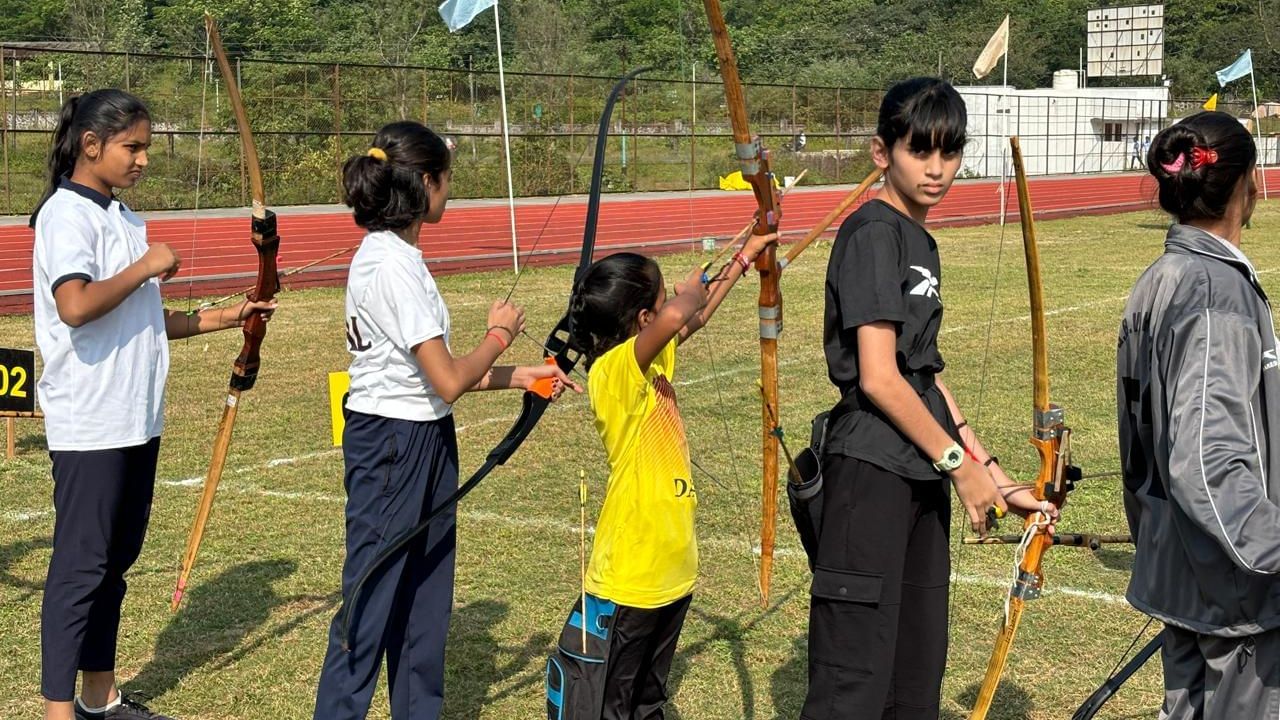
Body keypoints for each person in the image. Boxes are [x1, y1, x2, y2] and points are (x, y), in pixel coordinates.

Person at [801, 77, 1057, 720]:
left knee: (916, 671)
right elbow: (879, 377)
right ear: (881, 152)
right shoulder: (872, 233)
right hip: (869, 474)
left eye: (950, 152)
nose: (937, 169)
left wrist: (992, 473)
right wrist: (957, 465)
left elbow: (926, 376)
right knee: (852, 681)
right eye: (920, 151)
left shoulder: (920, 239)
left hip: (919, 472)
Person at [312, 121, 579, 720]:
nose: (451, 191)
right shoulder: (389, 265)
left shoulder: (402, 257)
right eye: (447, 180)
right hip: (391, 447)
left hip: (424, 437)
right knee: (372, 600)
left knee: (423, 602)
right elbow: (450, 379)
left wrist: (526, 374)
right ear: (425, 183)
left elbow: (441, 374)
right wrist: (499, 332)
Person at [31, 90, 276, 720]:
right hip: (91, 420)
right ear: (91, 146)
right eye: (131, 147)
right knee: (81, 569)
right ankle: (59, 710)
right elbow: (77, 306)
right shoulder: (66, 216)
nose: (142, 159)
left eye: (146, 147)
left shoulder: (122, 216)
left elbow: (144, 320)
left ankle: (97, 697)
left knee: (115, 563)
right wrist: (145, 266)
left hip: (135, 417)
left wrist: (230, 316)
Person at [543, 230, 777, 719]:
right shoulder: (614, 373)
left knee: (647, 700)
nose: (674, 299)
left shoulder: (648, 362)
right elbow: (680, 312)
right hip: (629, 579)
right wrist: (687, 295)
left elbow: (694, 314)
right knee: (612, 705)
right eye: (663, 293)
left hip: (670, 575)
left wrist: (743, 258)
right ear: (644, 320)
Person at [1117, 111, 1275, 719]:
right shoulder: (1214, 289)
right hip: (1234, 587)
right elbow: (1206, 461)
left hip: (1180, 564)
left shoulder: (1161, 276)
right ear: (1246, 185)